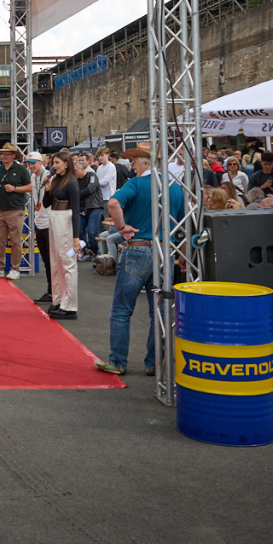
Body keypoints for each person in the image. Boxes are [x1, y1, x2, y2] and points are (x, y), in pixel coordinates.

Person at [94, 148, 184, 376]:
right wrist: (182, 254)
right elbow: (182, 224)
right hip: (165, 251)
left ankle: (118, 361)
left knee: (122, 310)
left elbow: (113, 203)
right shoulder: (175, 187)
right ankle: (154, 363)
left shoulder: (135, 183)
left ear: (144, 163)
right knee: (160, 312)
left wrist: (122, 227)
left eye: (134, 162)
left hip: (138, 249)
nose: (132, 167)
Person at [42, 149, 82, 320]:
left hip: (65, 220)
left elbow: (76, 211)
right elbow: (46, 203)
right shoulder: (56, 180)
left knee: (67, 262)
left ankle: (69, 305)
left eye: (57, 163)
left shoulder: (71, 182)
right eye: (53, 163)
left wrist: (76, 237)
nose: (54, 166)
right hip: (54, 218)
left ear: (66, 164)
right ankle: (58, 300)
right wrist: (47, 188)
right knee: (56, 262)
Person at [0, 143, 31, 280]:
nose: (4, 156)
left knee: (15, 240)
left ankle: (15, 268)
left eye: (7, 154)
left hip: (15, 209)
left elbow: (30, 187)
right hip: (0, 209)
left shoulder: (21, 169)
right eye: (3, 154)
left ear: (13, 156)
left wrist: (15, 189)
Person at [25, 151, 53, 305]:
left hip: (51, 222)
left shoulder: (49, 176)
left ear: (41, 162)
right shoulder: (32, 177)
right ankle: (50, 291)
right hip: (39, 222)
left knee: (52, 260)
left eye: (33, 163)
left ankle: (55, 292)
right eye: (28, 163)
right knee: (46, 261)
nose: (31, 166)